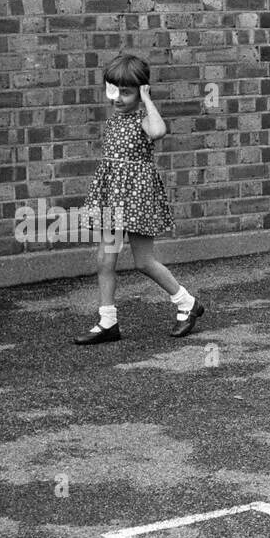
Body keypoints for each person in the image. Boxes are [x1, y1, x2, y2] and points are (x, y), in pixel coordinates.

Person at [73, 54, 203, 345]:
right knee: (105, 260)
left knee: (143, 262)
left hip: (137, 199)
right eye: (113, 90)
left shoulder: (144, 119)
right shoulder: (115, 117)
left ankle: (186, 303)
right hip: (112, 197)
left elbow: (158, 131)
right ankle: (108, 322)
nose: (118, 98)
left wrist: (146, 100)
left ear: (141, 91)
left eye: (127, 92)